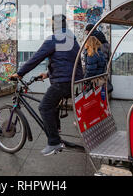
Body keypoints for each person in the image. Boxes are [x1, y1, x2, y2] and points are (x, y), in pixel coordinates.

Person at [11, 15, 84, 156]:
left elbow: (36, 57)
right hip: (73, 81)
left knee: (44, 107)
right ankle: (56, 128)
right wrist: (48, 74)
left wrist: (20, 73)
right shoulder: (72, 40)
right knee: (52, 104)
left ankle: (54, 142)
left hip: (62, 82)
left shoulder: (54, 39)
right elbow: (66, 62)